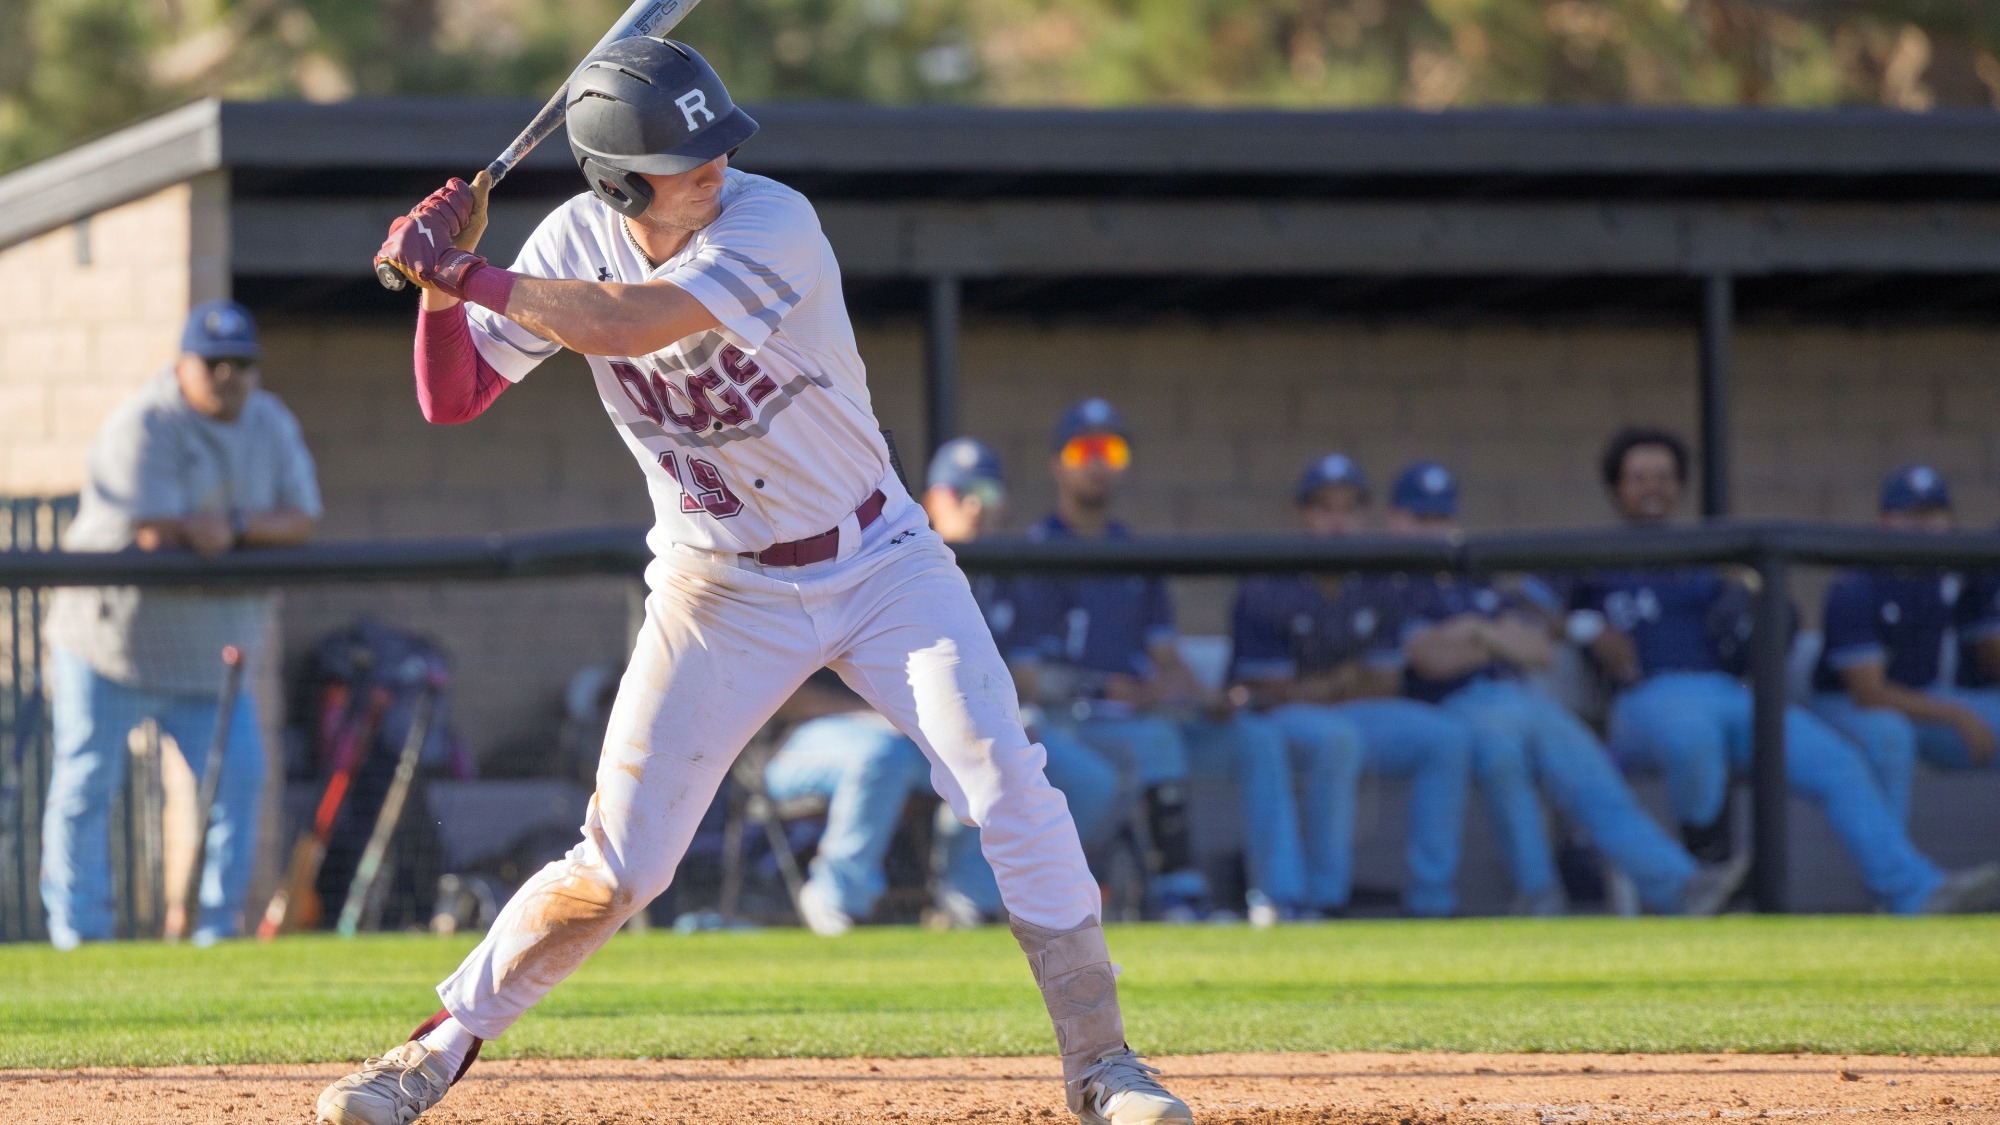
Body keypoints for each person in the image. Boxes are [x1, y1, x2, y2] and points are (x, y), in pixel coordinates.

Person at [329, 39, 1188, 1125]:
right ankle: (432, 1052)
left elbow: (630, 322)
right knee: (619, 868)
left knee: (1001, 779)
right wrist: (437, 296)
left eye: (716, 145)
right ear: (615, 180)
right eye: (683, 159)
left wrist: (461, 270)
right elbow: (451, 399)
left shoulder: (771, 221)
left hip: (878, 559)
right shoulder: (567, 242)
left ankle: (1104, 1063)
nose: (713, 168)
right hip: (715, 585)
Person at [1576, 428, 1999, 915]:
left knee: (1838, 763)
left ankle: (1911, 889)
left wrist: (1759, 612)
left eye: (1664, 477)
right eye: (1639, 477)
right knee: (1691, 737)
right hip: (1647, 698)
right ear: (1615, 488)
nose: (1653, 488)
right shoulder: (1591, 552)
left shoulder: (1707, 555)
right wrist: (1581, 626)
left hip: (1729, 693)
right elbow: (1534, 605)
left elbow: (1776, 627)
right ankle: (1699, 872)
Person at [42, 299, 321, 950]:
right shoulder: (144, 422)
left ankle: (215, 932)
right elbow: (155, 536)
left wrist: (239, 527)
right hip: (110, 646)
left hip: (208, 659)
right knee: (86, 786)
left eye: (243, 363)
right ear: (181, 365)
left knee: (240, 782)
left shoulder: (270, 422)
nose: (230, 375)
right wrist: (226, 531)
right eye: (214, 362)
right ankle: (77, 936)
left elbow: (301, 516)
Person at [1387, 460, 1743, 917]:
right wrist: (1493, 637)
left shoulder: (1470, 576)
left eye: (1442, 518)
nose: (1434, 531)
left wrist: (1475, 632)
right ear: (1396, 520)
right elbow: (1428, 660)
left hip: (1517, 700)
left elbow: (1538, 649)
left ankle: (1677, 884)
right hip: (1447, 707)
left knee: (1593, 780)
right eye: (1421, 519)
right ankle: (1542, 892)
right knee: (1501, 752)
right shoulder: (1392, 581)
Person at [1007, 398, 1313, 926]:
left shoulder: (1130, 548)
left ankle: (1281, 898)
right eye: (1086, 450)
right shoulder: (1038, 550)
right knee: (1157, 740)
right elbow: (1023, 678)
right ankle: (1179, 892)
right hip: (1074, 726)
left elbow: (1164, 655)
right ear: (1058, 464)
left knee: (1256, 738)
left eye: (1113, 450)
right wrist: (1105, 689)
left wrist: (1205, 698)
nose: (1100, 463)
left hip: (1145, 720)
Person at [1227, 454, 1473, 918]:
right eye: (1324, 508)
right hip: (1274, 721)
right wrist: (1341, 681)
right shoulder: (1268, 581)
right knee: (1336, 738)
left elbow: (1384, 681)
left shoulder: (1376, 577)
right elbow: (1271, 691)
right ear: (1302, 515)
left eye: (1348, 508)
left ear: (1363, 516)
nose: (1337, 522)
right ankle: (1325, 896)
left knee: (1446, 738)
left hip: (1350, 710)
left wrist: (1326, 687)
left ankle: (1432, 896)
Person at [920, 438, 1127, 929]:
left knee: (1095, 783)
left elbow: (1033, 676)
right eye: (960, 491)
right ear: (931, 500)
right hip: (910, 720)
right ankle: (959, 897)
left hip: (997, 720)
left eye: (988, 492)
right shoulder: (907, 568)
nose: (975, 505)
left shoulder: (1014, 573)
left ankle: (1013, 894)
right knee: (983, 746)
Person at [1809, 465, 2000, 821]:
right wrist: (1957, 715)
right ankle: (1894, 871)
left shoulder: (1949, 575)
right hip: (1844, 705)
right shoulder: (1858, 584)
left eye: (1934, 513)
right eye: (1911, 515)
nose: (1925, 525)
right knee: (1889, 735)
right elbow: (1870, 695)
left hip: (1923, 697)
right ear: (1884, 521)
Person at [762, 671, 932, 936]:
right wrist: (870, 713)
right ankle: (837, 896)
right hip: (789, 745)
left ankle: (973, 904)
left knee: (988, 755)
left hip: (905, 736)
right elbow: (773, 693)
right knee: (880, 754)